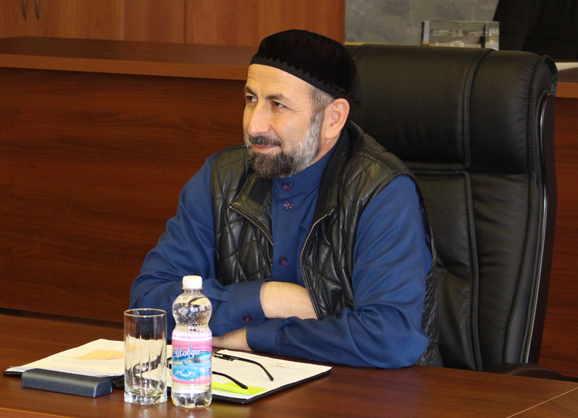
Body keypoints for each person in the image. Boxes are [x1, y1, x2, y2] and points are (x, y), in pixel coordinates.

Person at [130, 30, 441, 368]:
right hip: (242, 386)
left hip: (362, 394)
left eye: (277, 105)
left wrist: (254, 338)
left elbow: (390, 337)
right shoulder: (219, 178)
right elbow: (148, 304)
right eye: (251, 99)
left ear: (333, 118)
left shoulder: (382, 193)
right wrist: (267, 298)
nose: (254, 125)